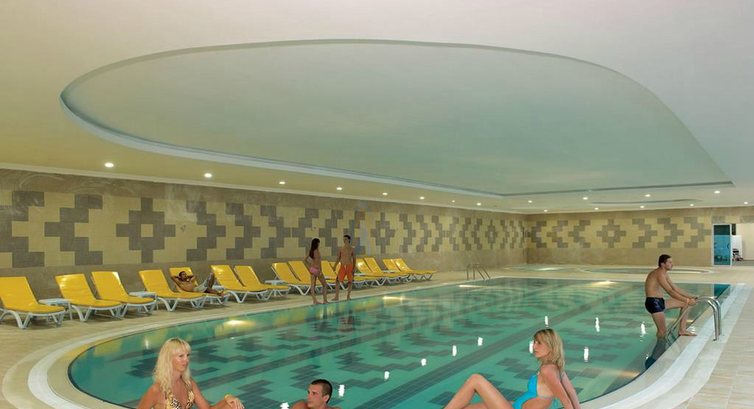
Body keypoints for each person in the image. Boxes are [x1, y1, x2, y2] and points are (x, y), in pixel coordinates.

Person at [444, 328, 580, 409]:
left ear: (550, 346)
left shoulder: (547, 371)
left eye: (539, 343)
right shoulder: (557, 368)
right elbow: (572, 392)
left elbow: (565, 399)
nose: (534, 346)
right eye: (534, 342)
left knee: (475, 379)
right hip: (514, 406)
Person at [137, 337, 244, 409]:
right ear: (168, 359)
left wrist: (227, 399)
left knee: (232, 406)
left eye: (187, 355)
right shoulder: (157, 390)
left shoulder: (188, 383)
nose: (186, 360)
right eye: (181, 356)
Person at [645, 254, 698, 338]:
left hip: (659, 301)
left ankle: (682, 330)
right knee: (662, 331)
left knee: (685, 305)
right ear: (662, 264)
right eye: (669, 262)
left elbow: (675, 288)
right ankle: (660, 345)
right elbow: (670, 291)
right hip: (653, 303)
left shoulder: (664, 274)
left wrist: (691, 296)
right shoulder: (658, 273)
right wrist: (687, 300)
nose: (672, 264)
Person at [304, 238, 328, 304]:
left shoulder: (311, 251)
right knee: (325, 285)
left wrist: (309, 267)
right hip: (317, 270)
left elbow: (304, 260)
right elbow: (319, 262)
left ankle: (314, 301)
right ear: (317, 243)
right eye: (319, 243)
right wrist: (320, 271)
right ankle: (325, 300)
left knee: (313, 285)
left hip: (312, 269)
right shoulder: (317, 251)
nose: (319, 244)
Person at [332, 234, 355, 301]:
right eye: (343, 239)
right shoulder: (341, 249)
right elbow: (338, 258)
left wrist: (354, 268)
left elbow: (354, 259)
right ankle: (336, 297)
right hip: (342, 266)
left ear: (349, 240)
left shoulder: (352, 249)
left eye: (345, 239)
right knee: (337, 280)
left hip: (349, 266)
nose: (344, 240)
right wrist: (335, 266)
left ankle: (348, 296)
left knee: (350, 281)